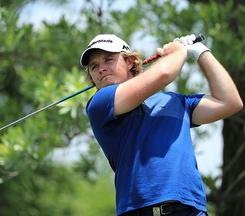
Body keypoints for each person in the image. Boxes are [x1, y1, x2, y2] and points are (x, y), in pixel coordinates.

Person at [79, 34, 243, 216]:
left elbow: (230, 103)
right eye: (94, 66)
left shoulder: (176, 102)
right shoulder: (100, 104)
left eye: (108, 60)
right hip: (139, 211)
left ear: (131, 62)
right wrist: (178, 52)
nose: (101, 69)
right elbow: (164, 73)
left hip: (190, 210)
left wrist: (200, 53)